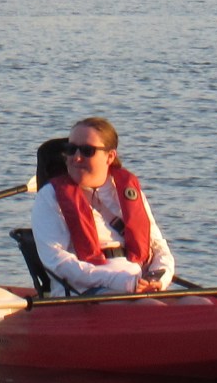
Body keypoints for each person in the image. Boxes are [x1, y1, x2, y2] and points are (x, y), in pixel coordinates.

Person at [30, 116, 176, 295]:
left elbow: (158, 247)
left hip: (137, 285)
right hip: (84, 291)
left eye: (87, 151)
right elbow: (56, 260)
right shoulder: (50, 196)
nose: (76, 158)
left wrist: (158, 279)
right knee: (145, 307)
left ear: (110, 156)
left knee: (193, 303)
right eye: (71, 149)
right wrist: (115, 281)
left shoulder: (128, 192)